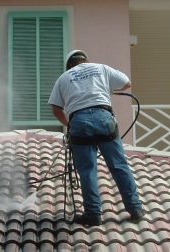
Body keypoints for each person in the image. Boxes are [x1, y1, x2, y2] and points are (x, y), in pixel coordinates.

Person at [48, 49, 144, 226]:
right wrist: (108, 89)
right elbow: (126, 83)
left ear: (69, 65)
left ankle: (93, 214)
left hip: (80, 122)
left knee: (87, 170)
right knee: (119, 166)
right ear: (85, 61)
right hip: (104, 118)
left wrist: (69, 125)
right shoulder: (101, 68)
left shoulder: (64, 77)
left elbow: (55, 107)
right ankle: (135, 209)